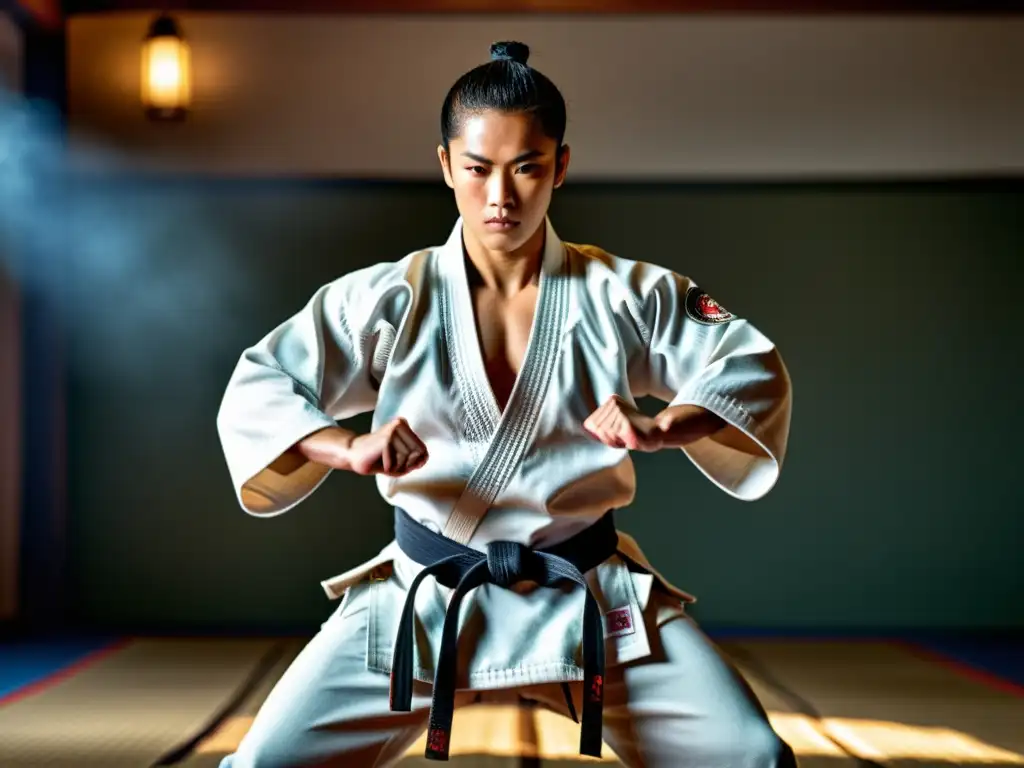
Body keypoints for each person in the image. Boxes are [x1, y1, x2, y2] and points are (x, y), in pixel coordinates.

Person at [216, 40, 796, 768]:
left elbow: (747, 360)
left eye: (526, 167)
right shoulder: (390, 296)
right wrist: (345, 448)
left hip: (585, 593)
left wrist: (668, 426)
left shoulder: (622, 292)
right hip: (423, 598)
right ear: (445, 166)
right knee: (262, 763)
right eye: (478, 168)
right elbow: (263, 380)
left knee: (751, 757)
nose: (501, 196)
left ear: (559, 166)